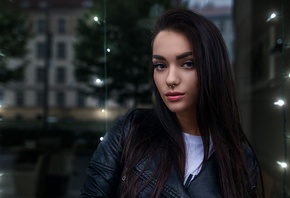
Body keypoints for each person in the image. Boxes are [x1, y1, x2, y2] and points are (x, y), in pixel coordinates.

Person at [80, 8, 259, 198]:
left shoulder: (241, 160)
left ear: (212, 68)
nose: (170, 79)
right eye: (161, 66)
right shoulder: (130, 130)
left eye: (187, 63)